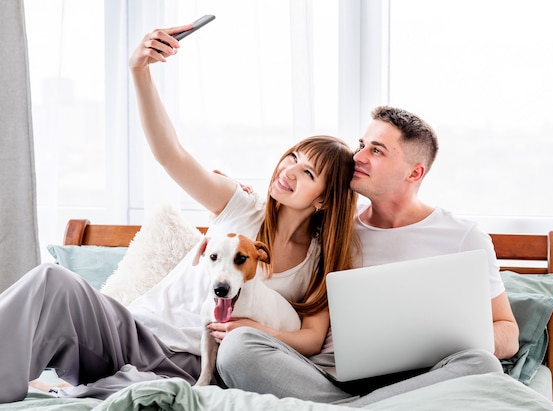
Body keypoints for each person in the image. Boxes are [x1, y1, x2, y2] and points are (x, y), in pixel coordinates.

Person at [0, 25, 357, 404]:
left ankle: (71, 392)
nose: (289, 171)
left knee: (124, 396)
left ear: (324, 200)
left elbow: (312, 338)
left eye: (308, 173)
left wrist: (252, 330)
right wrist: (140, 71)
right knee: (50, 281)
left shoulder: (320, 260)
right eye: (293, 157)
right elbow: (171, 154)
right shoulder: (239, 204)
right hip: (132, 330)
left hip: (192, 363)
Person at [216, 106, 520, 406]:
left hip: (417, 381)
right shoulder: (334, 228)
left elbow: (507, 332)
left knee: (483, 364)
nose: (357, 157)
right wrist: (241, 194)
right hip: (324, 376)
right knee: (236, 349)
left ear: (415, 172)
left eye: (377, 151)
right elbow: (286, 207)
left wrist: (441, 343)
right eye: (362, 145)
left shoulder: (464, 237)